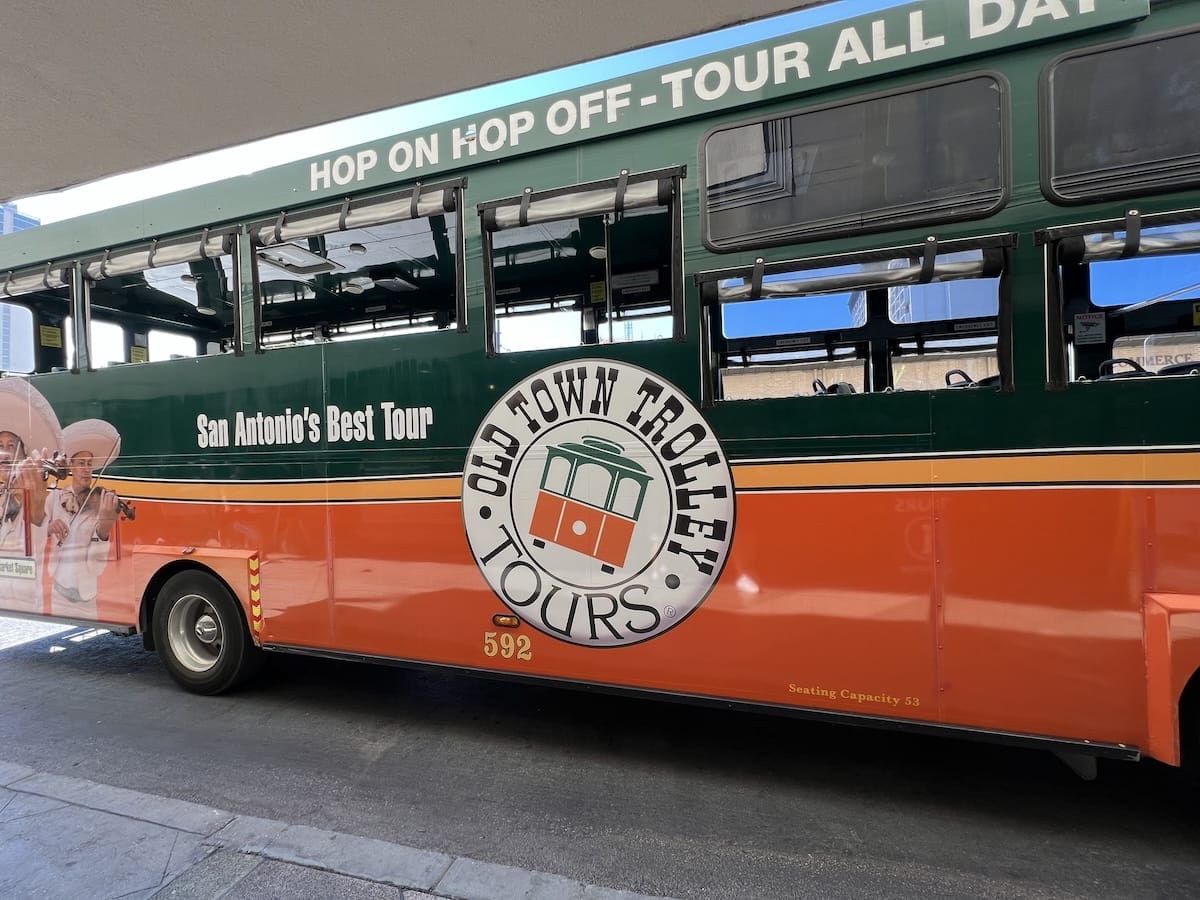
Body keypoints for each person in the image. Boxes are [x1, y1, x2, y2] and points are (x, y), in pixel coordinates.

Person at [0, 377, 64, 613]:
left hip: (25, 599)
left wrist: (36, 500)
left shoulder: (45, 494)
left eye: (12, 446)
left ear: (25, 454)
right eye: (0, 445)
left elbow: (38, 524)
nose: (4, 453)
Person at [47, 419, 122, 616]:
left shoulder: (99, 503)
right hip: (58, 593)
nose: (86, 469)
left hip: (86, 599)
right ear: (71, 465)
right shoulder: (55, 497)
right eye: (81, 463)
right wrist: (50, 526)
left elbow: (96, 568)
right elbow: (37, 530)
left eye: (89, 464)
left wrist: (104, 530)